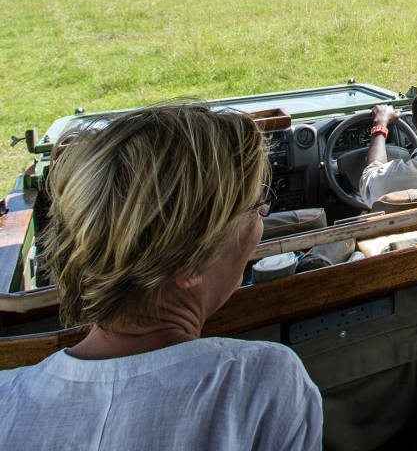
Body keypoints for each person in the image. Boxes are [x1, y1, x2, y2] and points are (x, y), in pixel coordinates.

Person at [0, 104, 323, 450]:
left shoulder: (7, 396)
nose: (262, 218)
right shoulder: (263, 385)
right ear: (191, 261)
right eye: (257, 207)